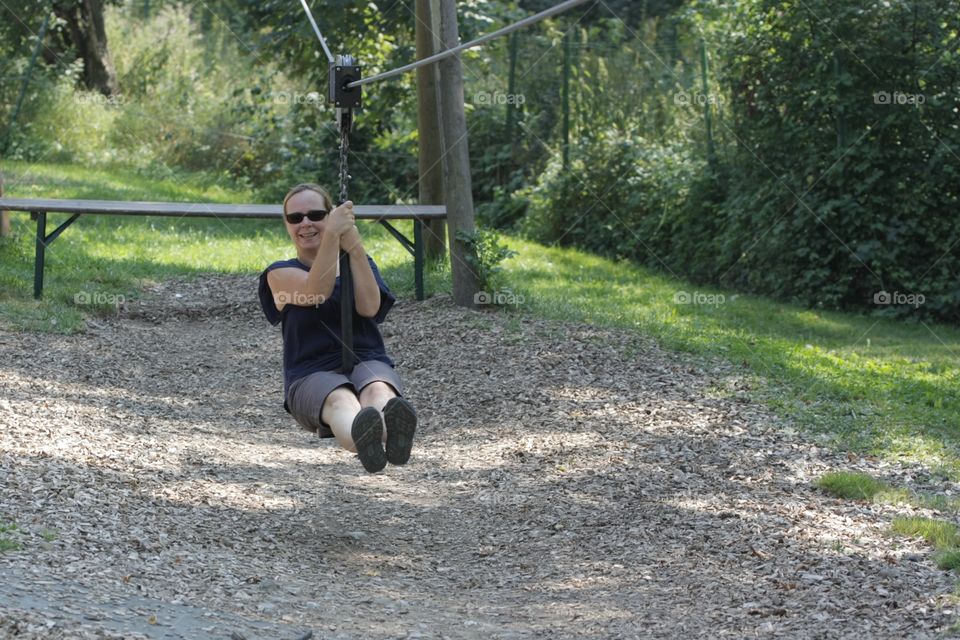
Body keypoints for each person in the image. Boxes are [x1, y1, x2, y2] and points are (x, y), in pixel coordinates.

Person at [258, 183, 417, 473]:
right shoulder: (279, 273)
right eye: (296, 218)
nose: (305, 223)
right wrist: (332, 233)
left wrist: (354, 248)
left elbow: (369, 307)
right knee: (340, 400)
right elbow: (316, 290)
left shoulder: (361, 263)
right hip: (311, 372)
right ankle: (366, 435)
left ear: (330, 215)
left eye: (315, 215)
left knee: (379, 390)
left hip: (366, 360)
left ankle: (389, 431)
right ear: (287, 225)